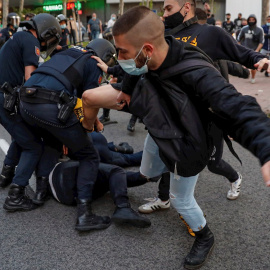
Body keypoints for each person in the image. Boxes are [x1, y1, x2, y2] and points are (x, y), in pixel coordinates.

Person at [81, 6, 270, 268]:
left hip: (188, 145)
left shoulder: (196, 71)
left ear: (147, 50)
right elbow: (135, 71)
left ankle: (204, 236)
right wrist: (126, 88)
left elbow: (238, 107)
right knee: (147, 170)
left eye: (122, 52)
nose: (118, 58)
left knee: (181, 198)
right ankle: (156, 192)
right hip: (160, 132)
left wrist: (266, 148)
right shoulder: (151, 56)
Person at [138, 0, 267, 217]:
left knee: (213, 163)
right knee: (169, 156)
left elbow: (241, 54)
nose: (164, 14)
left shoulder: (210, 34)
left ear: (186, 7)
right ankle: (163, 199)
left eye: (168, 9)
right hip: (172, 116)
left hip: (205, 119)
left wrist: (260, 59)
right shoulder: (165, 36)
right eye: (164, 10)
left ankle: (235, 178)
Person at [19, 39, 116, 232]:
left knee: (52, 140)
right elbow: (91, 99)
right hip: (48, 104)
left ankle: (41, 192)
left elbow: (76, 97)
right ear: (104, 56)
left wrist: (93, 121)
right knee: (89, 155)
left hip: (25, 102)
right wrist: (89, 126)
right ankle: (84, 214)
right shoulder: (93, 62)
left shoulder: (68, 53)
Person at [0, 13, 62, 212]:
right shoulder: (30, 41)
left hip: (3, 98)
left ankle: (6, 175)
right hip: (5, 99)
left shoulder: (19, 37)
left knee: (23, 136)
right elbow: (30, 82)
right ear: (46, 31)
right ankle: (16, 195)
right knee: (34, 146)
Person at [49, 161, 151, 228]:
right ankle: (123, 207)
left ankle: (146, 176)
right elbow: (116, 171)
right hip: (63, 173)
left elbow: (119, 178)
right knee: (115, 171)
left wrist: (146, 177)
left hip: (63, 196)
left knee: (110, 178)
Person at [237, 14, 265, 83]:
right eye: (250, 20)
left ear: (255, 20)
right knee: (244, 65)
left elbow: (261, 42)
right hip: (245, 50)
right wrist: (240, 48)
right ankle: (246, 73)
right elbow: (238, 39)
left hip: (254, 50)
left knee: (253, 66)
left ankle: (253, 77)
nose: (251, 21)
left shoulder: (259, 30)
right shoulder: (244, 29)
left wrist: (257, 50)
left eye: (253, 20)